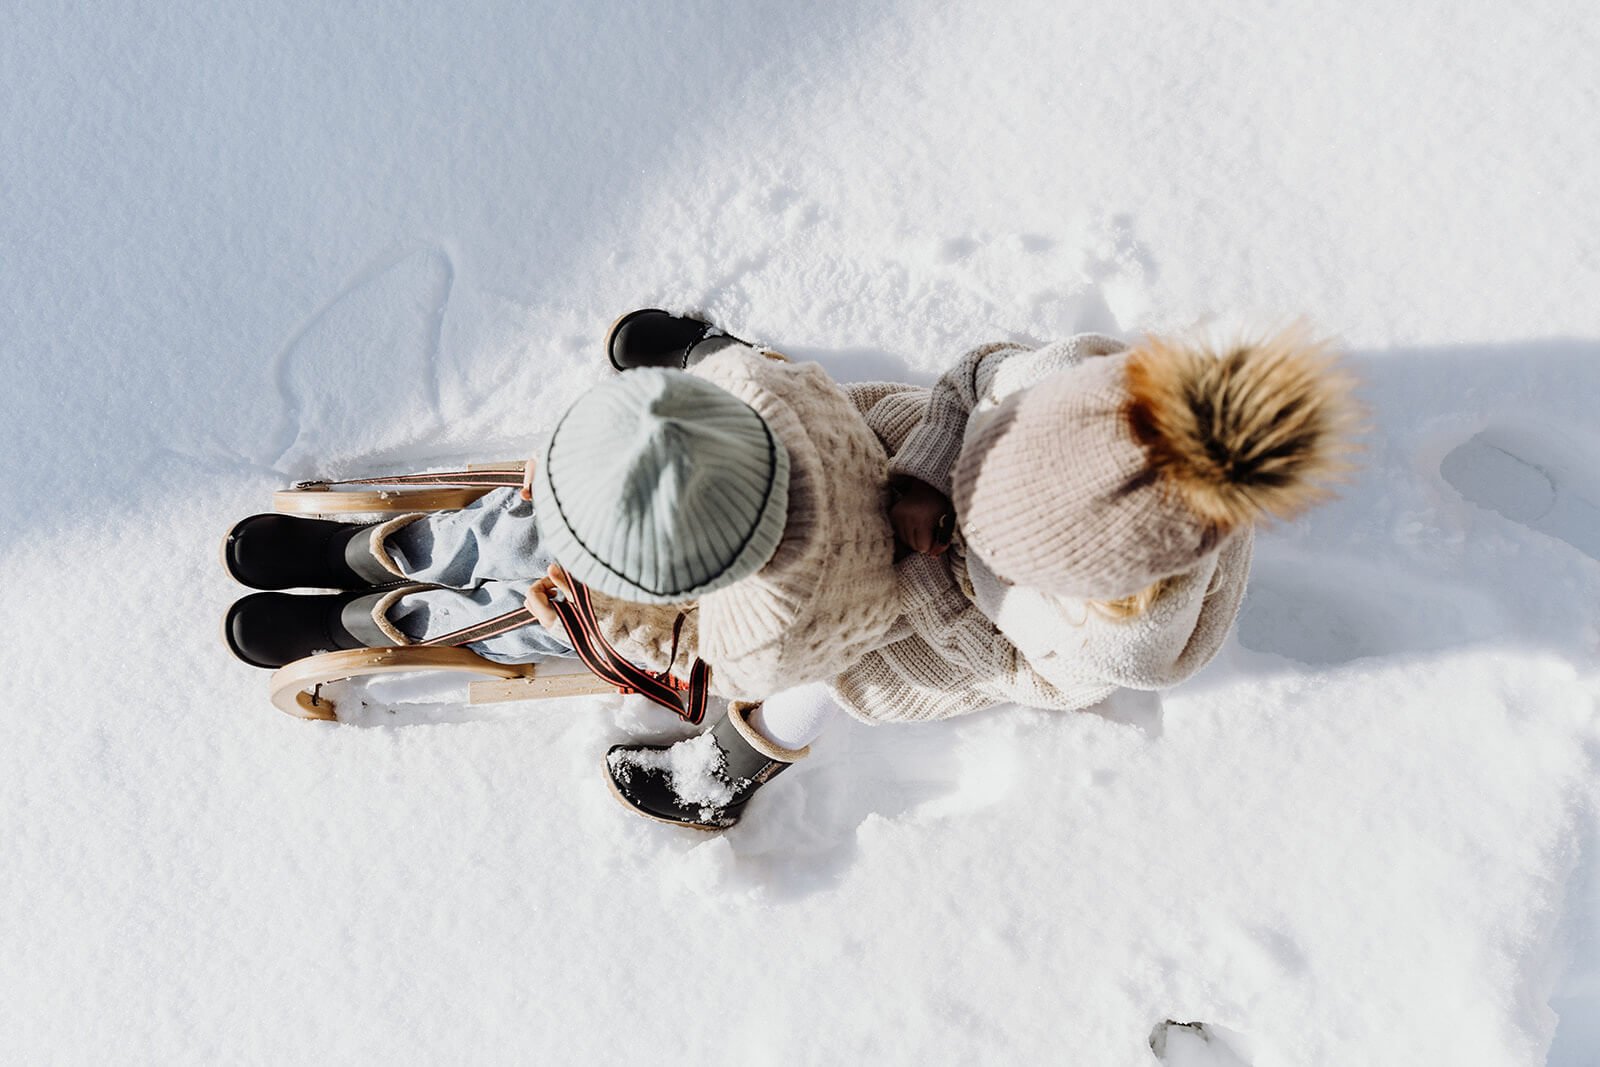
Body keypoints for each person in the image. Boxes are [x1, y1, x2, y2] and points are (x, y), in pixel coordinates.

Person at [599, 321, 1358, 829]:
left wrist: (919, 582)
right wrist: (933, 473)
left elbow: (1019, 671)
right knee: (804, 438)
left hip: (937, 625)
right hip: (897, 461)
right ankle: (743, 378)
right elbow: (977, 374)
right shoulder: (1066, 385)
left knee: (826, 661)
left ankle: (743, 757)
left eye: (995, 530)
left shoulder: (1112, 634)